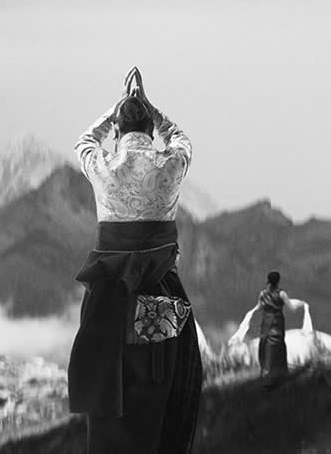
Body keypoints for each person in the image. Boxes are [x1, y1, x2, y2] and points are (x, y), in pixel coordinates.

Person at [67, 67, 202, 453]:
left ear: (117, 131)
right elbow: (181, 139)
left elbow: (84, 141)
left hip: (107, 297)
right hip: (161, 291)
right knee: (167, 394)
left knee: (110, 408)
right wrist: (149, 107)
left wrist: (116, 109)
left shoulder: (102, 167)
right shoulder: (170, 165)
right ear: (149, 128)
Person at [256, 271, 304, 386]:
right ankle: (279, 370)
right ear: (278, 281)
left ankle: (265, 370)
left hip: (266, 323)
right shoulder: (282, 294)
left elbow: (259, 308)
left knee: (265, 343)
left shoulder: (262, 294)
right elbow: (291, 308)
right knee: (277, 344)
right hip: (277, 322)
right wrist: (301, 304)